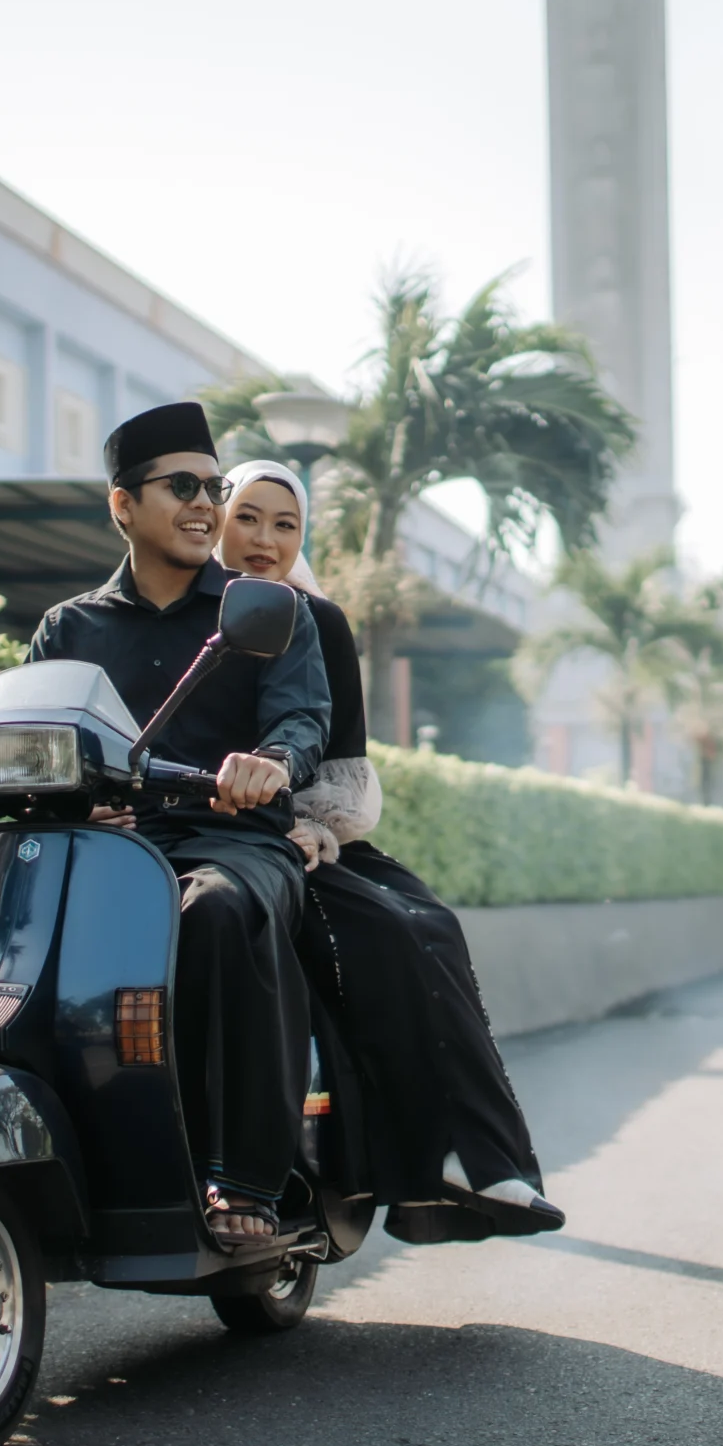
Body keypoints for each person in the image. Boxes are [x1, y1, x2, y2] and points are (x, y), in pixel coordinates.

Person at [0, 403, 330, 1251]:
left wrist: (267, 762)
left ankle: (241, 1172)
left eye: (213, 487)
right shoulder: (69, 627)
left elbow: (302, 723)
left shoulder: (264, 611)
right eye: (183, 486)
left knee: (216, 912)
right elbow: (26, 741)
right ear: (123, 506)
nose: (205, 504)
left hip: (229, 843)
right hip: (113, 849)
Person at [216, 458, 564, 1242]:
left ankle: (468, 1157)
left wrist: (317, 827)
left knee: (423, 922)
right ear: (216, 519)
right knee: (372, 933)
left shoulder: (318, 619)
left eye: (286, 524)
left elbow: (334, 759)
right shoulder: (175, 616)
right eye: (248, 517)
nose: (265, 540)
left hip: (302, 834)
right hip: (203, 839)